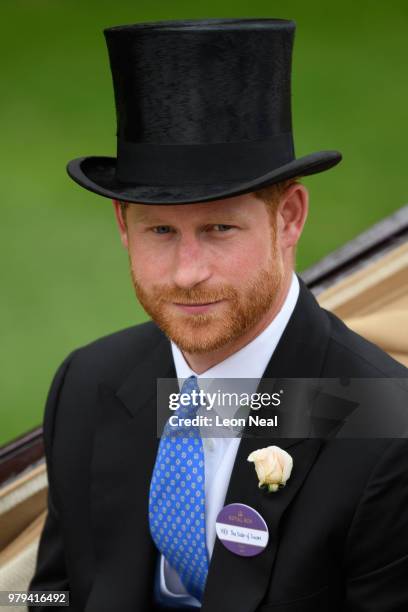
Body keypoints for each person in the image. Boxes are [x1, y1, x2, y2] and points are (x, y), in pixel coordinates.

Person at [29, 18, 408, 612]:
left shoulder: (389, 431)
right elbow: (55, 596)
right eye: (160, 231)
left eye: (219, 229)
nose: (187, 272)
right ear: (123, 228)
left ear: (288, 219)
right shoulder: (87, 383)